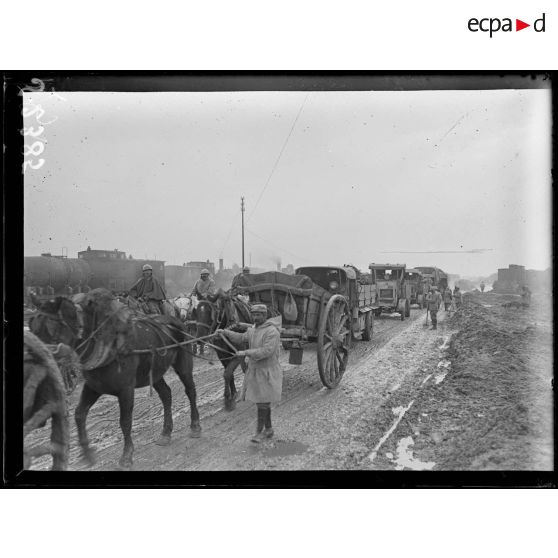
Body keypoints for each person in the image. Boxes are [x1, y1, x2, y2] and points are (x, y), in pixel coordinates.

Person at [216, 304, 282, 443]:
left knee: (262, 403)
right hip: (256, 370)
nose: (256, 317)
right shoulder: (252, 330)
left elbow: (266, 351)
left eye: (259, 315)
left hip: (267, 371)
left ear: (265, 315)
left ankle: (259, 433)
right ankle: (268, 429)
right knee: (262, 402)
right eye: (254, 314)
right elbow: (241, 338)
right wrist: (226, 333)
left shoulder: (272, 332)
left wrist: (246, 353)